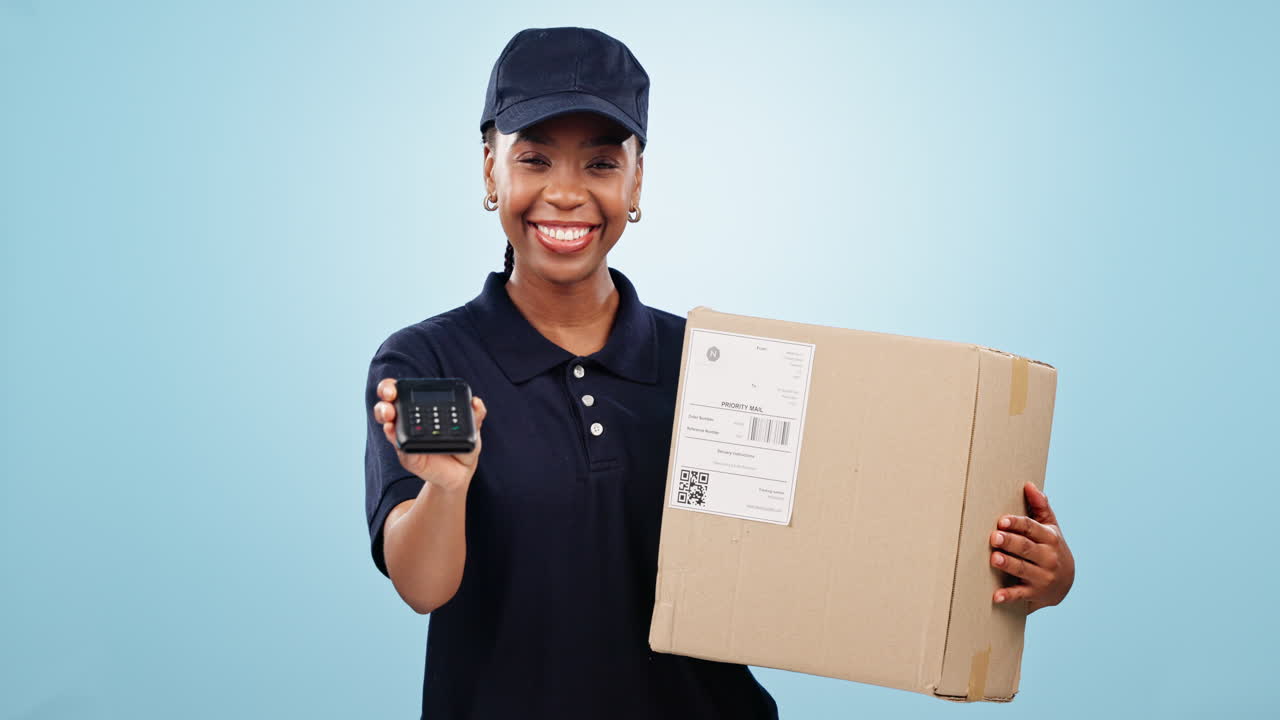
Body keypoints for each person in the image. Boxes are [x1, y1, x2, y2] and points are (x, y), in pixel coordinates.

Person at [364, 26, 1075, 719]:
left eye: (603, 163)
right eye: (535, 159)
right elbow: (422, 587)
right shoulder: (428, 363)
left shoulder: (718, 364)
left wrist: (1032, 575)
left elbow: (850, 536)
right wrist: (448, 488)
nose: (567, 193)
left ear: (638, 180)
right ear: (490, 169)